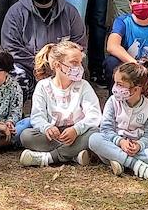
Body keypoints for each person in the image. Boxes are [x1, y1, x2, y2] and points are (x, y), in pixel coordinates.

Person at [0, 0, 88, 90]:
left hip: (62, 66)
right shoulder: (16, 12)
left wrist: (58, 65)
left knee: (78, 74)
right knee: (16, 78)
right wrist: (40, 65)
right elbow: (10, 47)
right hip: (27, 67)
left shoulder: (70, 12)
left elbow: (79, 44)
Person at [19, 40, 102, 168]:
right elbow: (37, 116)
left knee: (94, 133)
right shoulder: (43, 86)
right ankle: (73, 154)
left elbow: (94, 115)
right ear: (58, 65)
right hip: (54, 136)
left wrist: (76, 129)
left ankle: (49, 157)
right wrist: (47, 127)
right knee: (26, 136)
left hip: (78, 134)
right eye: (74, 63)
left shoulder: (83, 86)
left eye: (80, 63)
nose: (79, 67)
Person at [89, 61, 148, 179]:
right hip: (115, 144)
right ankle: (135, 164)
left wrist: (139, 145)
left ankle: (118, 160)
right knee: (94, 139)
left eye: (120, 84)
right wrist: (120, 142)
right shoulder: (113, 101)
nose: (115, 88)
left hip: (135, 149)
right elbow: (106, 129)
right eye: (115, 83)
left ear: (136, 88)